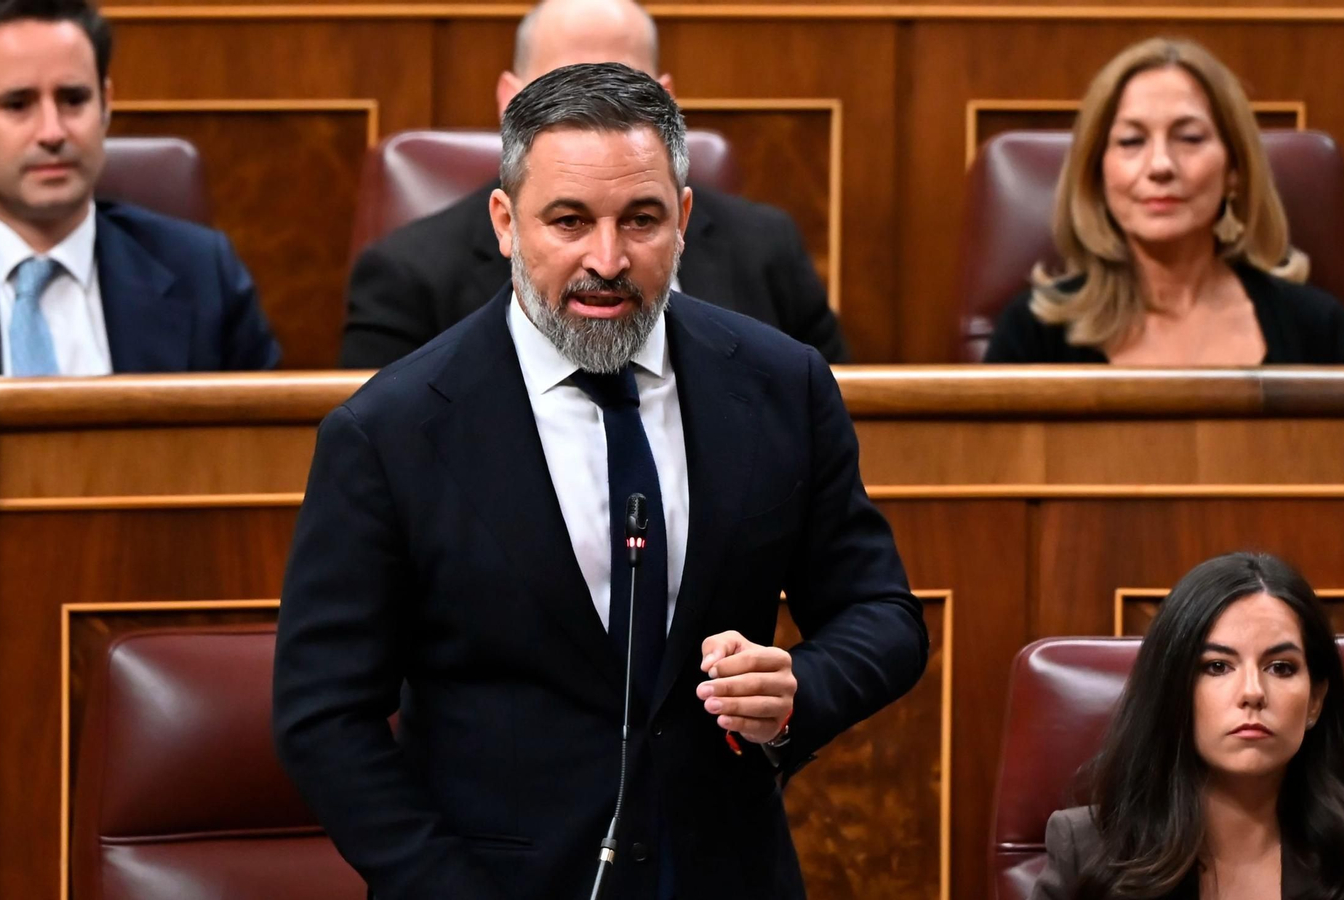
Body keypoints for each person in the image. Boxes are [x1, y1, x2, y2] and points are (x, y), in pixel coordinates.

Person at [273, 63, 926, 900]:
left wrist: (798, 687)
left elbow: (884, 617)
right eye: (570, 221)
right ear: (506, 223)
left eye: (641, 220)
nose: (607, 260)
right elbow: (323, 718)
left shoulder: (781, 385)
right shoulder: (390, 432)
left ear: (684, 219)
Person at [0, 0, 279, 541]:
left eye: (73, 99)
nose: (52, 131)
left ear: (106, 103)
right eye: (18, 104)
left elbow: (268, 472)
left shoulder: (203, 273)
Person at [338, 0, 848, 369]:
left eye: (620, 89)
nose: (607, 259)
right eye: (563, 93)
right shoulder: (408, 275)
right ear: (508, 101)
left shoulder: (766, 248)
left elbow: (839, 422)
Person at [1031, 552, 1344, 900]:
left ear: (1316, 701)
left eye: (1281, 667)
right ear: (1172, 691)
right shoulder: (1087, 853)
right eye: (1217, 666)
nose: (1253, 691)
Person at [985, 38, 1344, 365]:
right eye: (1131, 142)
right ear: (1097, 175)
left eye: (1189, 138)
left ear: (1234, 170)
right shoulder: (1032, 334)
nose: (1160, 166)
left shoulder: (1319, 330)